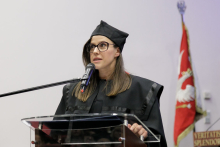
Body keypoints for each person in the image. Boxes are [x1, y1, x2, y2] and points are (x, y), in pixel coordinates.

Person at [55, 20, 167, 147]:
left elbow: (157, 141)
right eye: (92, 46)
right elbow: (53, 135)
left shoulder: (142, 90)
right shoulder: (73, 91)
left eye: (102, 45)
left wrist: (141, 136)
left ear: (117, 51)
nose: (95, 51)